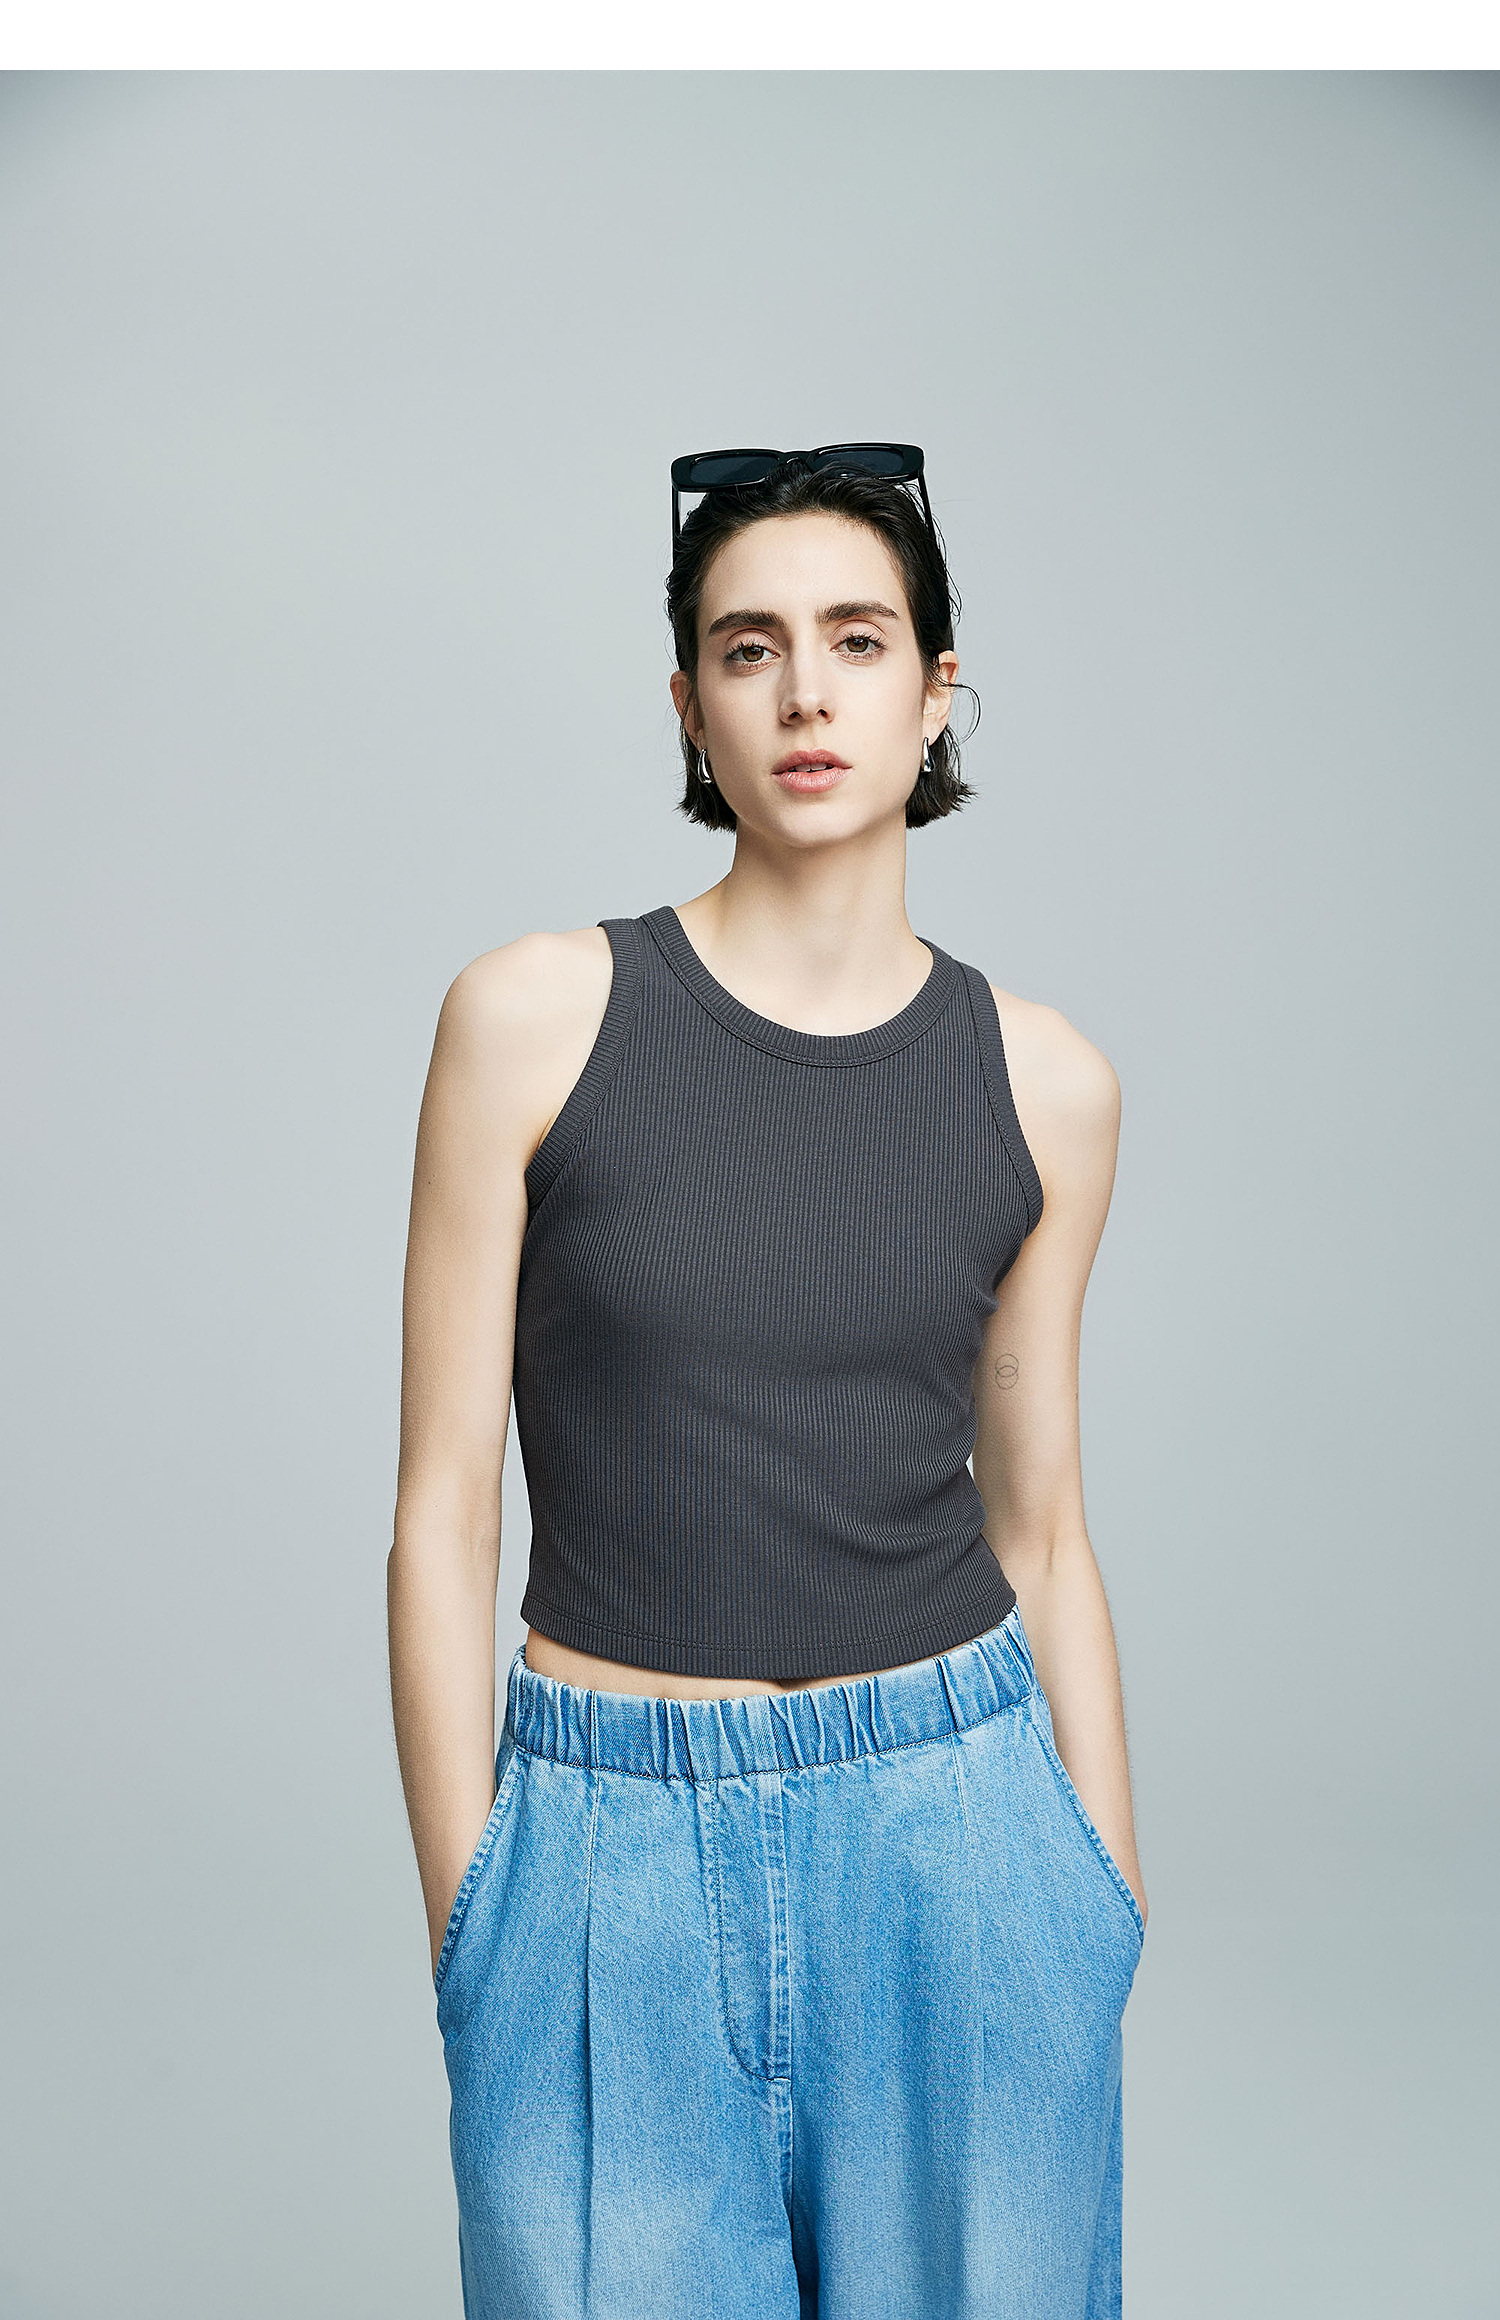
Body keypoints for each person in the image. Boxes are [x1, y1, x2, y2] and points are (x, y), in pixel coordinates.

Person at [387, 444, 1148, 2320]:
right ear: (689, 707)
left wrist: (1097, 1902)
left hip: (957, 1845)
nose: (806, 692)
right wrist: (478, 1921)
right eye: (750, 648)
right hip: (605, 1854)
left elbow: (1045, 1527)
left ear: (936, 689)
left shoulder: (1046, 1083)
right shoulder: (532, 1020)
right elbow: (443, 1513)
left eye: (858, 640)